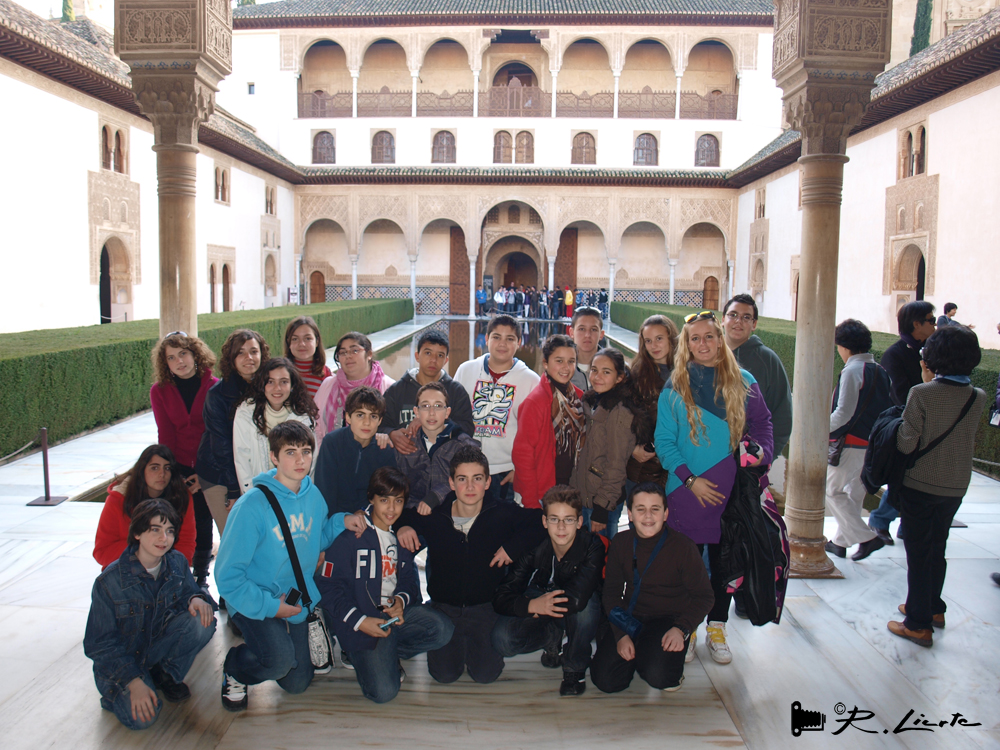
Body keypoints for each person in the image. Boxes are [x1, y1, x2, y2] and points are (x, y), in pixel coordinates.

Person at [216, 421, 365, 712]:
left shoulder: (313, 496)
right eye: (290, 452)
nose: (300, 460)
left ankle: (282, 639)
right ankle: (236, 668)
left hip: (296, 595)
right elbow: (228, 578)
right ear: (274, 457)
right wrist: (273, 608)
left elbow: (314, 541)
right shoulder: (251, 507)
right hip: (255, 597)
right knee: (279, 661)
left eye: (306, 452)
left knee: (296, 683)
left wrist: (340, 522)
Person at [654, 310, 773, 665]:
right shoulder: (675, 385)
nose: (702, 344)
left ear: (720, 339)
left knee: (725, 564)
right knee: (687, 565)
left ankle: (717, 626)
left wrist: (759, 453)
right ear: (685, 345)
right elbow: (664, 441)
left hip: (731, 494)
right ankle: (685, 627)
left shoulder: (744, 380)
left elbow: (763, 424)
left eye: (709, 336)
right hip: (686, 490)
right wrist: (691, 480)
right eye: (695, 338)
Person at [394, 446, 546, 684]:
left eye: (477, 479)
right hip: (445, 608)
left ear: (487, 482)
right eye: (462, 479)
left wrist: (513, 547)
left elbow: (539, 522)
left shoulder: (502, 513)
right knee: (444, 675)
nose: (470, 487)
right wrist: (403, 526)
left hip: (485, 608)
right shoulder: (436, 516)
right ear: (451, 483)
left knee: (485, 675)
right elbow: (400, 515)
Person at [316, 467, 454, 703]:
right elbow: (328, 587)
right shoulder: (352, 534)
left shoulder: (400, 536)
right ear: (371, 498)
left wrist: (400, 601)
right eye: (384, 500)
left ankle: (387, 653)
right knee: (384, 693)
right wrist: (360, 621)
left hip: (391, 617)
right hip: (361, 621)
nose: (391, 509)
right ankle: (357, 652)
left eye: (398, 501)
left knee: (442, 629)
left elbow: (410, 581)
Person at [887, 326, 988, 647]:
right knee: (937, 546)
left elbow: (906, 444)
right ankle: (934, 607)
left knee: (918, 551)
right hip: (956, 485)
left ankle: (917, 623)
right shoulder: (978, 396)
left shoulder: (922, 392)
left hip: (921, 483)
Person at [84, 499, 216, 730]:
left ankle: (164, 674)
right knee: (143, 719)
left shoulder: (175, 562)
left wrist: (196, 598)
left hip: (154, 650)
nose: (163, 539)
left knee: (202, 620)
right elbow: (99, 645)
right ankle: (116, 693)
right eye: (155, 530)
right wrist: (133, 681)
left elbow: (189, 592)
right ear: (136, 533)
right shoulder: (110, 582)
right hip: (123, 663)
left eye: (169, 531)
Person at [590, 483, 714, 694]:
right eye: (640, 509)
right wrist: (620, 635)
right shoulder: (621, 542)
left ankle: (656, 657)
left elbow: (704, 597)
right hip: (630, 616)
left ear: (665, 513)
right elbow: (610, 592)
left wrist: (682, 628)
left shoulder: (683, 547)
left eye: (655, 509)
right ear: (629, 514)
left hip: (668, 619)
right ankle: (642, 653)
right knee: (605, 681)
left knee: (660, 677)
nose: (648, 516)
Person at [492, 485, 605, 696]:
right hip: (540, 595)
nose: (561, 527)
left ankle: (574, 668)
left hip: (576, 603)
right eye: (554, 519)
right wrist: (531, 605)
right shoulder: (533, 546)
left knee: (586, 610)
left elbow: (579, 598)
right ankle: (552, 637)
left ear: (580, 522)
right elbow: (502, 596)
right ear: (545, 521)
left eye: (568, 519)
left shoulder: (592, 546)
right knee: (502, 640)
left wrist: (542, 607)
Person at [149, 331, 218, 586]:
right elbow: (165, 433)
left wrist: (204, 473)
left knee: (203, 520)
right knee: (174, 521)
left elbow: (217, 436)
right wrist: (170, 473)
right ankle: (176, 575)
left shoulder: (214, 387)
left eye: (183, 354)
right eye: (171, 358)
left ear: (195, 354)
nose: (179, 361)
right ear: (165, 363)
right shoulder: (160, 391)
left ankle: (201, 577)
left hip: (208, 466)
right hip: (177, 466)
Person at [868, 301, 937, 545]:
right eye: (930, 320)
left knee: (915, 477)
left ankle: (903, 526)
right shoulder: (895, 354)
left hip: (928, 424)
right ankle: (880, 520)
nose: (935, 324)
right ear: (916, 323)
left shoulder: (931, 350)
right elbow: (898, 395)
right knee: (903, 476)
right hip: (904, 424)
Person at [824, 319, 893, 562]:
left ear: (843, 346)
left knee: (831, 490)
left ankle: (867, 538)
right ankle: (840, 543)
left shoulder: (853, 370)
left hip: (852, 444)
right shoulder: (880, 371)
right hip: (873, 445)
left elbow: (844, 412)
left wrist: (818, 431)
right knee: (853, 495)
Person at [454, 314, 541, 505]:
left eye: (510, 339)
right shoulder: (466, 370)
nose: (502, 344)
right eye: (496, 337)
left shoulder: (531, 381)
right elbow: (452, 417)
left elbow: (537, 433)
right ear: (486, 339)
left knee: (503, 528)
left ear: (519, 342)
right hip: (469, 468)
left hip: (507, 471)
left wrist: (520, 469)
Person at [196, 329, 269, 537]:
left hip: (255, 471)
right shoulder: (217, 395)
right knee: (234, 538)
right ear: (231, 358)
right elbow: (221, 447)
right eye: (241, 353)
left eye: (254, 351)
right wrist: (234, 490)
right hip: (220, 475)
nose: (249, 358)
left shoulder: (269, 387)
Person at [571, 348, 639, 538]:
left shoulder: (619, 411)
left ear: (619, 378)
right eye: (594, 370)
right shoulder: (591, 402)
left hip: (602, 503)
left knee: (602, 559)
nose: (597, 377)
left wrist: (602, 507)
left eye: (606, 372)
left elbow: (616, 464)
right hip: (585, 496)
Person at [512, 334, 585, 509]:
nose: (566, 367)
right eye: (559, 361)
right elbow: (523, 456)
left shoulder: (578, 397)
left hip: (569, 484)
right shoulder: (536, 402)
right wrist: (531, 501)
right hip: (541, 491)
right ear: (545, 363)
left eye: (571, 361)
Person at [94, 445, 197, 570]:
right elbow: (102, 551)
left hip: (168, 570)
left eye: (167, 468)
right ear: (142, 470)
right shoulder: (119, 499)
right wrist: (144, 553)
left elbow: (186, 542)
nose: (162, 474)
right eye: (154, 468)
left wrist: (172, 569)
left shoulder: (181, 497)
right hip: (125, 571)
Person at [380, 329, 474, 454]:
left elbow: (467, 429)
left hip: (443, 463)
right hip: (405, 464)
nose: (433, 360)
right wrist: (391, 434)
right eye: (428, 353)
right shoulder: (397, 390)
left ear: (446, 360)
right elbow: (380, 423)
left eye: (440, 355)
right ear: (417, 356)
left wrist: (432, 420)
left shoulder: (456, 392)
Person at [233, 357, 318, 495]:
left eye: (284, 382)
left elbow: (311, 461)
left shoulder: (304, 415)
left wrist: (300, 494)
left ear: (292, 386)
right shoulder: (245, 412)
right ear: (262, 385)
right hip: (259, 492)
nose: (277, 388)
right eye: (270, 382)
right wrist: (252, 495)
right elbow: (242, 459)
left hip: (295, 491)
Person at [721, 294, 793, 458]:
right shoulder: (706, 355)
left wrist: (764, 459)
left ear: (754, 324)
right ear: (723, 319)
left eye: (746, 317)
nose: (739, 321)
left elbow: (782, 415)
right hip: (703, 457)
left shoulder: (768, 360)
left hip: (747, 460)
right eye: (733, 315)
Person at [396, 382, 480, 513]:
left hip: (454, 515)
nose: (431, 412)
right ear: (416, 412)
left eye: (438, 406)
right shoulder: (406, 445)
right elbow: (399, 488)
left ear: (447, 412)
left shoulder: (464, 446)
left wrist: (435, 496)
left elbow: (472, 483)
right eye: (425, 406)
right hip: (414, 514)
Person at [313, 386, 396, 516]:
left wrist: (367, 513)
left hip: (371, 518)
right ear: (348, 418)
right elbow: (325, 492)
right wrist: (341, 520)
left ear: (380, 421)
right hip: (335, 519)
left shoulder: (384, 449)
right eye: (360, 415)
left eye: (373, 416)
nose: (367, 422)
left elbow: (387, 494)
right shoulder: (332, 443)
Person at [627, 315, 678, 490]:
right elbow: (622, 416)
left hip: (676, 464)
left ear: (671, 338)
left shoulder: (687, 372)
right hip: (644, 466)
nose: (654, 346)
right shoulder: (637, 375)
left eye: (659, 339)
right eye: (648, 341)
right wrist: (632, 448)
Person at [315, 331, 395, 441]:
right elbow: (316, 425)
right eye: (343, 353)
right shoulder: (328, 385)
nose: (348, 356)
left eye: (355, 351)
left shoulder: (390, 387)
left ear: (369, 354)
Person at [284, 316, 332, 399]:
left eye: (307, 338)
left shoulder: (325, 374)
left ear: (317, 342)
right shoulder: (281, 372)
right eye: (295, 339)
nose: (301, 344)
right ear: (288, 343)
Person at [570, 306, 604, 391]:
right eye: (582, 329)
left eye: (593, 329)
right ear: (571, 333)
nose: (587, 335)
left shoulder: (615, 367)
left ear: (601, 334)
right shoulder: (561, 369)